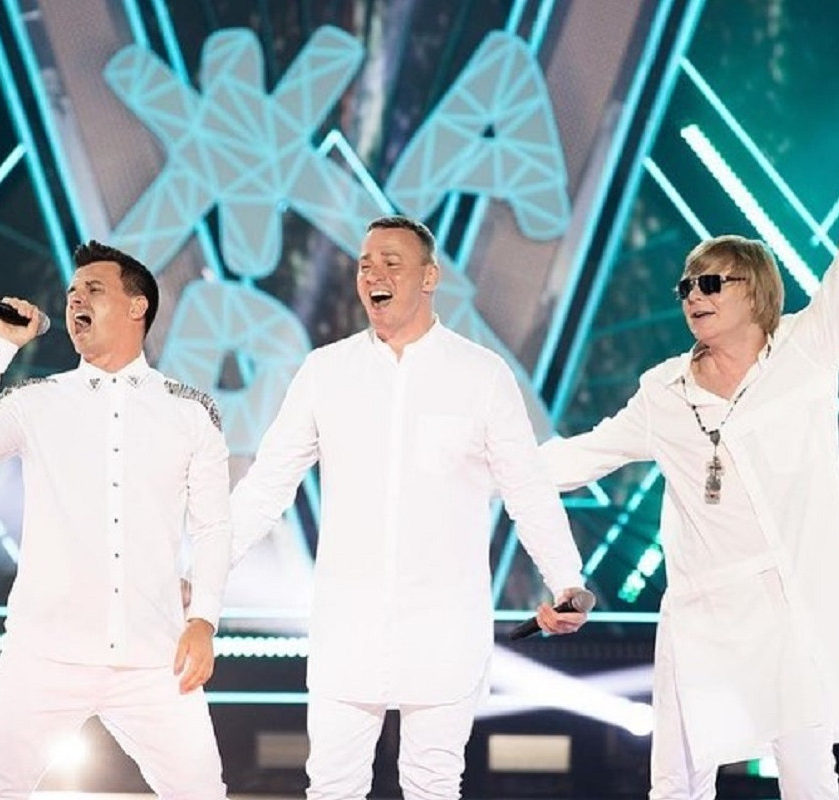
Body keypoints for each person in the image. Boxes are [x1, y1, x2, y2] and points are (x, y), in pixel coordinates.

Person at [538, 50, 839, 799]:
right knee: (676, 785)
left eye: (710, 282)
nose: (692, 294)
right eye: (686, 285)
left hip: (787, 607)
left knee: (810, 783)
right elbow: (574, 460)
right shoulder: (663, 392)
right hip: (700, 617)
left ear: (754, 291)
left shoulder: (808, 349)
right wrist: (476, 459)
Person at [229, 215, 588, 800]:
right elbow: (267, 484)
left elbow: (527, 488)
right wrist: (206, 568)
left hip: (445, 627)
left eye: (391, 263)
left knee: (433, 785)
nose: (373, 274)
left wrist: (566, 579)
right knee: (332, 787)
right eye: (364, 265)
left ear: (429, 277)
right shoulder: (326, 372)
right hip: (348, 624)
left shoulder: (481, 375)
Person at [0, 241, 231, 800]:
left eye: (93, 290)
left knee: (200, 792)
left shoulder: (189, 411)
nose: (76, 301)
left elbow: (214, 527)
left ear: (138, 306)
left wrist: (204, 621)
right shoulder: (38, 401)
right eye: (71, 293)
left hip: (153, 655)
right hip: (44, 652)